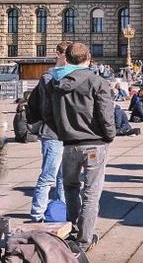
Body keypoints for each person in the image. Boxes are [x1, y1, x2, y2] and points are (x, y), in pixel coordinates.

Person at [43, 42, 116, 252]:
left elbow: (47, 113)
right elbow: (106, 115)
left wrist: (63, 131)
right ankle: (84, 239)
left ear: (68, 58)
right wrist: (109, 136)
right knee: (91, 192)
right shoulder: (97, 81)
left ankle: (74, 231)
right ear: (88, 57)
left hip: (68, 145)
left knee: (71, 188)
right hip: (94, 145)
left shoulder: (54, 82)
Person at [26, 41, 71, 223]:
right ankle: (37, 213)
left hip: (64, 134)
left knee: (63, 177)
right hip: (53, 134)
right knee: (49, 175)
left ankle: (60, 209)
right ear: (60, 56)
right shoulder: (49, 78)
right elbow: (43, 107)